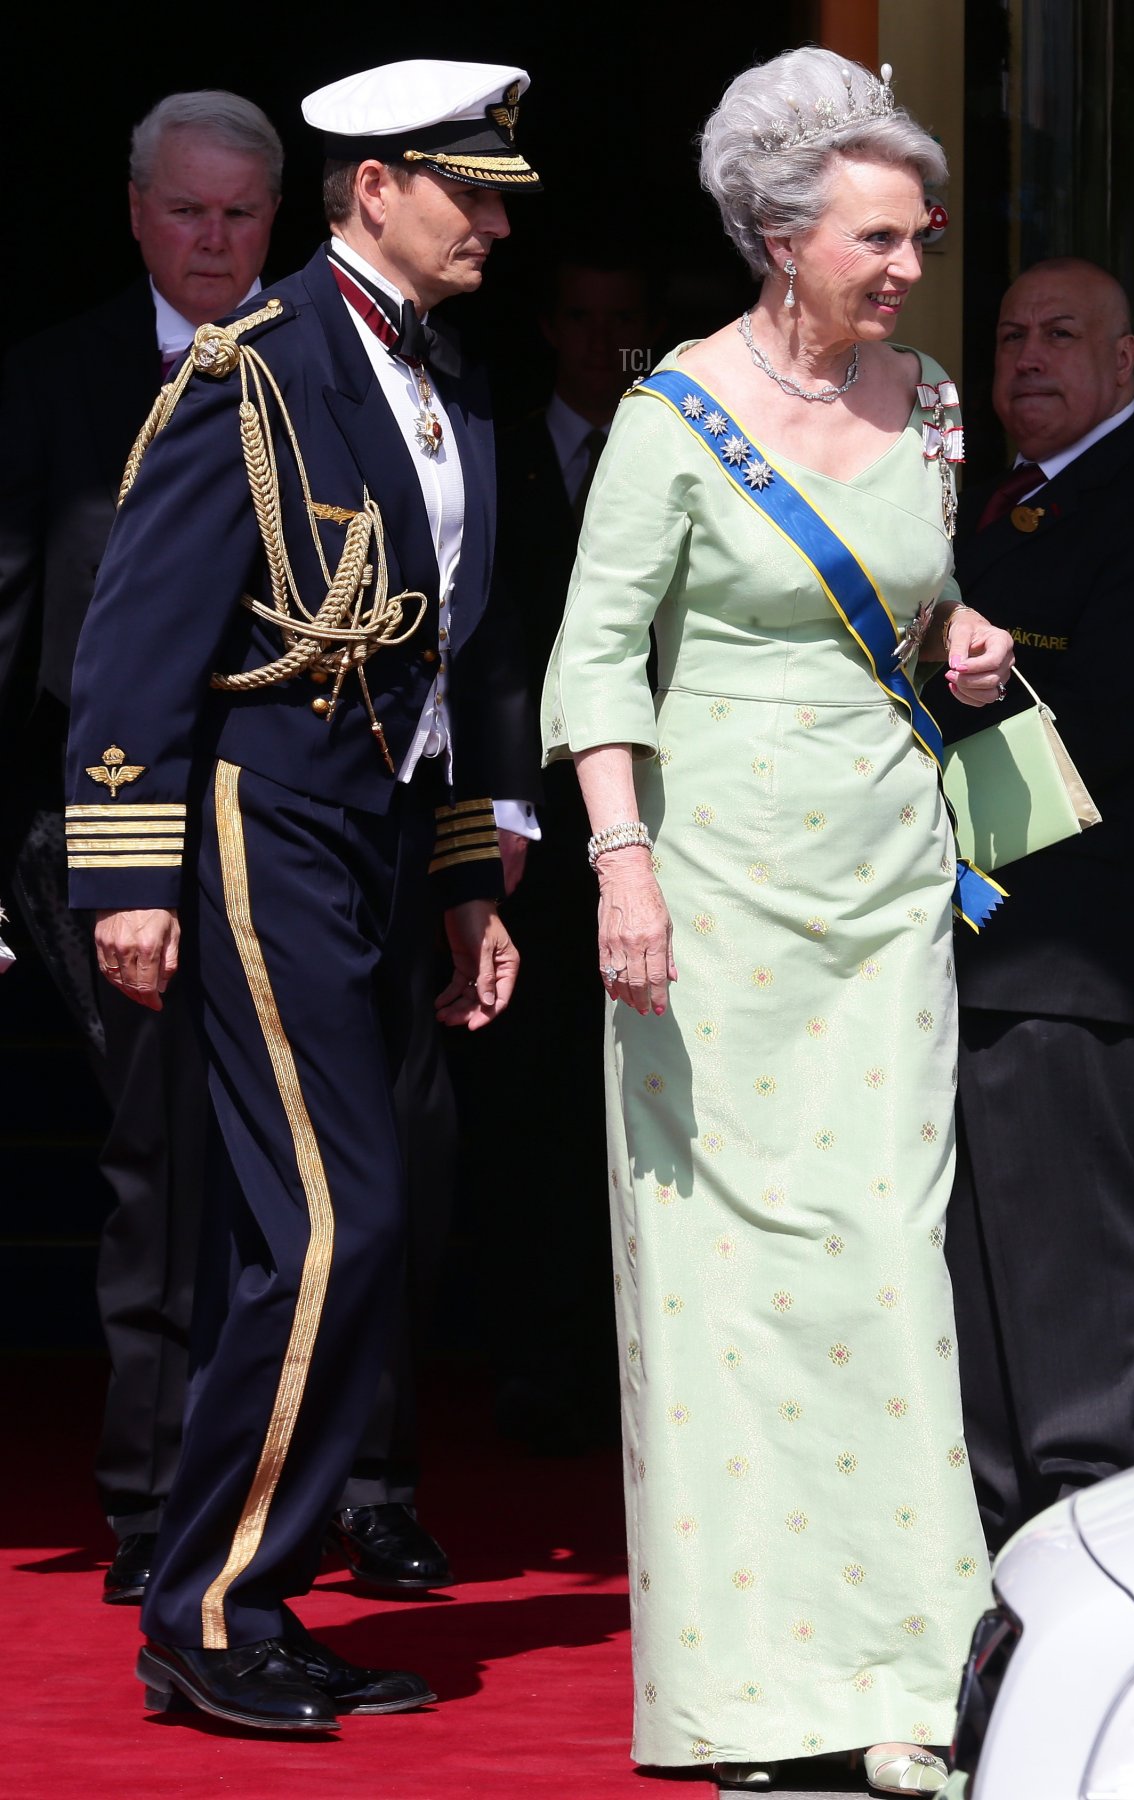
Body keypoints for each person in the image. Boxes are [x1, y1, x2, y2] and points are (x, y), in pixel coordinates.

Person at [542, 47, 1013, 1793]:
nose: (909, 266)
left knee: (886, 1264)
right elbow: (596, 658)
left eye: (922, 233)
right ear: (781, 234)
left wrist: (959, 639)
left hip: (887, 886)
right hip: (713, 895)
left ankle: (905, 1680)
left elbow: (914, 595)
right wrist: (624, 868)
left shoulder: (934, 402)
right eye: (881, 238)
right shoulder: (674, 418)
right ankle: (755, 1696)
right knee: (731, 1281)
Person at [63, 57, 538, 1732]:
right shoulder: (253, 372)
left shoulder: (446, 378)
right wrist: (125, 870)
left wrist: (477, 876)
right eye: (466, 187)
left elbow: (464, 661)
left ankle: (238, 1597)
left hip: (384, 843)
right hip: (267, 828)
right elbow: (138, 632)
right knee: (339, 1225)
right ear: (371, 186)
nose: (494, 218)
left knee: (348, 1227)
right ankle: (205, 1610)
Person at [0, 88, 457, 1610]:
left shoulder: (376, 368)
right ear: (136, 213)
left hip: (339, 830)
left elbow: (446, 632)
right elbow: (69, 642)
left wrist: (462, 846)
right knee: (176, 1177)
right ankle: (165, 1520)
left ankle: (352, 1499)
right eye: (186, 211)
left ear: (284, 213)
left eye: (239, 212)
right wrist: (104, 867)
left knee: (348, 1183)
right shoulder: (109, 381)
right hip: (148, 822)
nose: (212, 238)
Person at [927, 257, 1134, 1554]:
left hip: (1063, 950)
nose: (1028, 356)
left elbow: (1112, 728)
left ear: (1126, 362)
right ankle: (997, 1536)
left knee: (1077, 1272)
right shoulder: (989, 508)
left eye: (1062, 336)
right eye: (1011, 335)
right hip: (969, 948)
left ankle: (1096, 1535)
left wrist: (912, 827)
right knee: (978, 1266)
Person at [453, 251, 655, 1456]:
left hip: (653, 831)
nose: (601, 342)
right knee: (530, 1101)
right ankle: (534, 1357)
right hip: (530, 831)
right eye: (581, 320)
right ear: (547, 329)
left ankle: (638, 1355)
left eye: (624, 320)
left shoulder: (684, 445)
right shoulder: (496, 449)